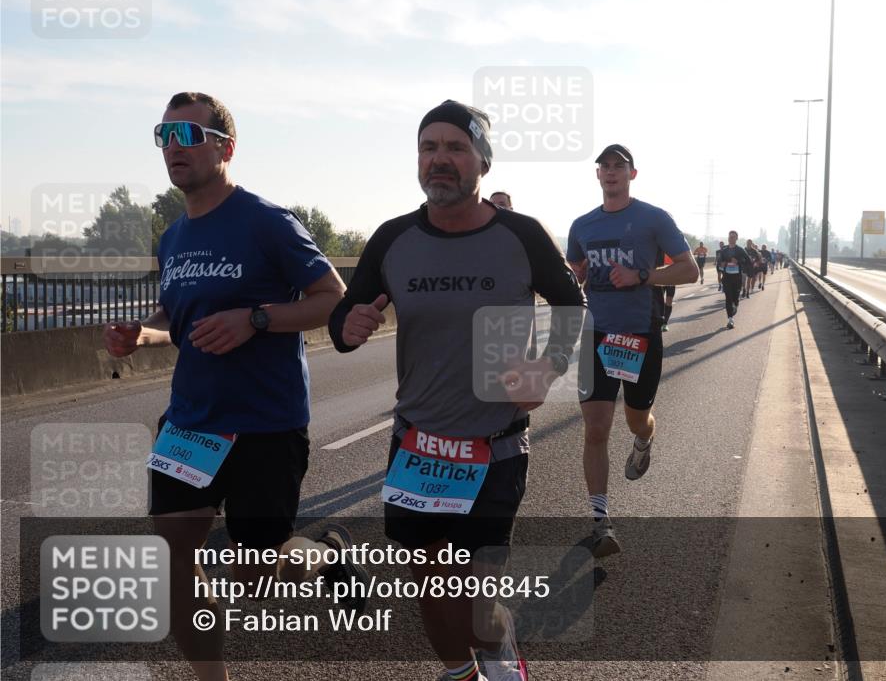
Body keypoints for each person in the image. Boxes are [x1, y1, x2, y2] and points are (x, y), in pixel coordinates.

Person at [104, 92, 367, 681]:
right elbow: (175, 316)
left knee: (256, 580)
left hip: (265, 425)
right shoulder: (173, 237)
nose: (173, 147)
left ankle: (326, 555)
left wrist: (255, 319)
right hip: (191, 421)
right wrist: (141, 334)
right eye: (164, 136)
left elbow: (333, 298)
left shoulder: (267, 222)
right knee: (173, 558)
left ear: (226, 148)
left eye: (188, 135)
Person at [329, 100, 584, 681]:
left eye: (455, 148)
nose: (439, 159)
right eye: (429, 147)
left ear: (482, 163)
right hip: (418, 446)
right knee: (429, 584)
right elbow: (346, 315)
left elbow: (572, 303)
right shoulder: (393, 238)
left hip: (494, 446)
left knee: (475, 602)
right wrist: (348, 325)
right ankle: (461, 674)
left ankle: (497, 646)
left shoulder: (521, 235)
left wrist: (548, 367)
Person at [566, 144, 697, 557]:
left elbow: (690, 270)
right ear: (597, 175)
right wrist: (577, 277)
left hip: (641, 335)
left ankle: (645, 438)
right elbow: (575, 273)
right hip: (597, 335)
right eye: (604, 166)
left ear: (631, 174)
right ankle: (600, 520)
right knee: (596, 428)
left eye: (618, 166)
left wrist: (641, 275)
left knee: (636, 419)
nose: (611, 172)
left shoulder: (653, 218)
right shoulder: (581, 225)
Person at [719, 231, 750, 329]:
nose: (731, 238)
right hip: (727, 277)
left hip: (737, 278)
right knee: (728, 298)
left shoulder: (740, 250)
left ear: (736, 239)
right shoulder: (724, 250)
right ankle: (730, 320)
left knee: (735, 299)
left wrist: (738, 261)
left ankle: (735, 305)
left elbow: (748, 261)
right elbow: (719, 262)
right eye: (730, 236)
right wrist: (722, 264)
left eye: (733, 237)